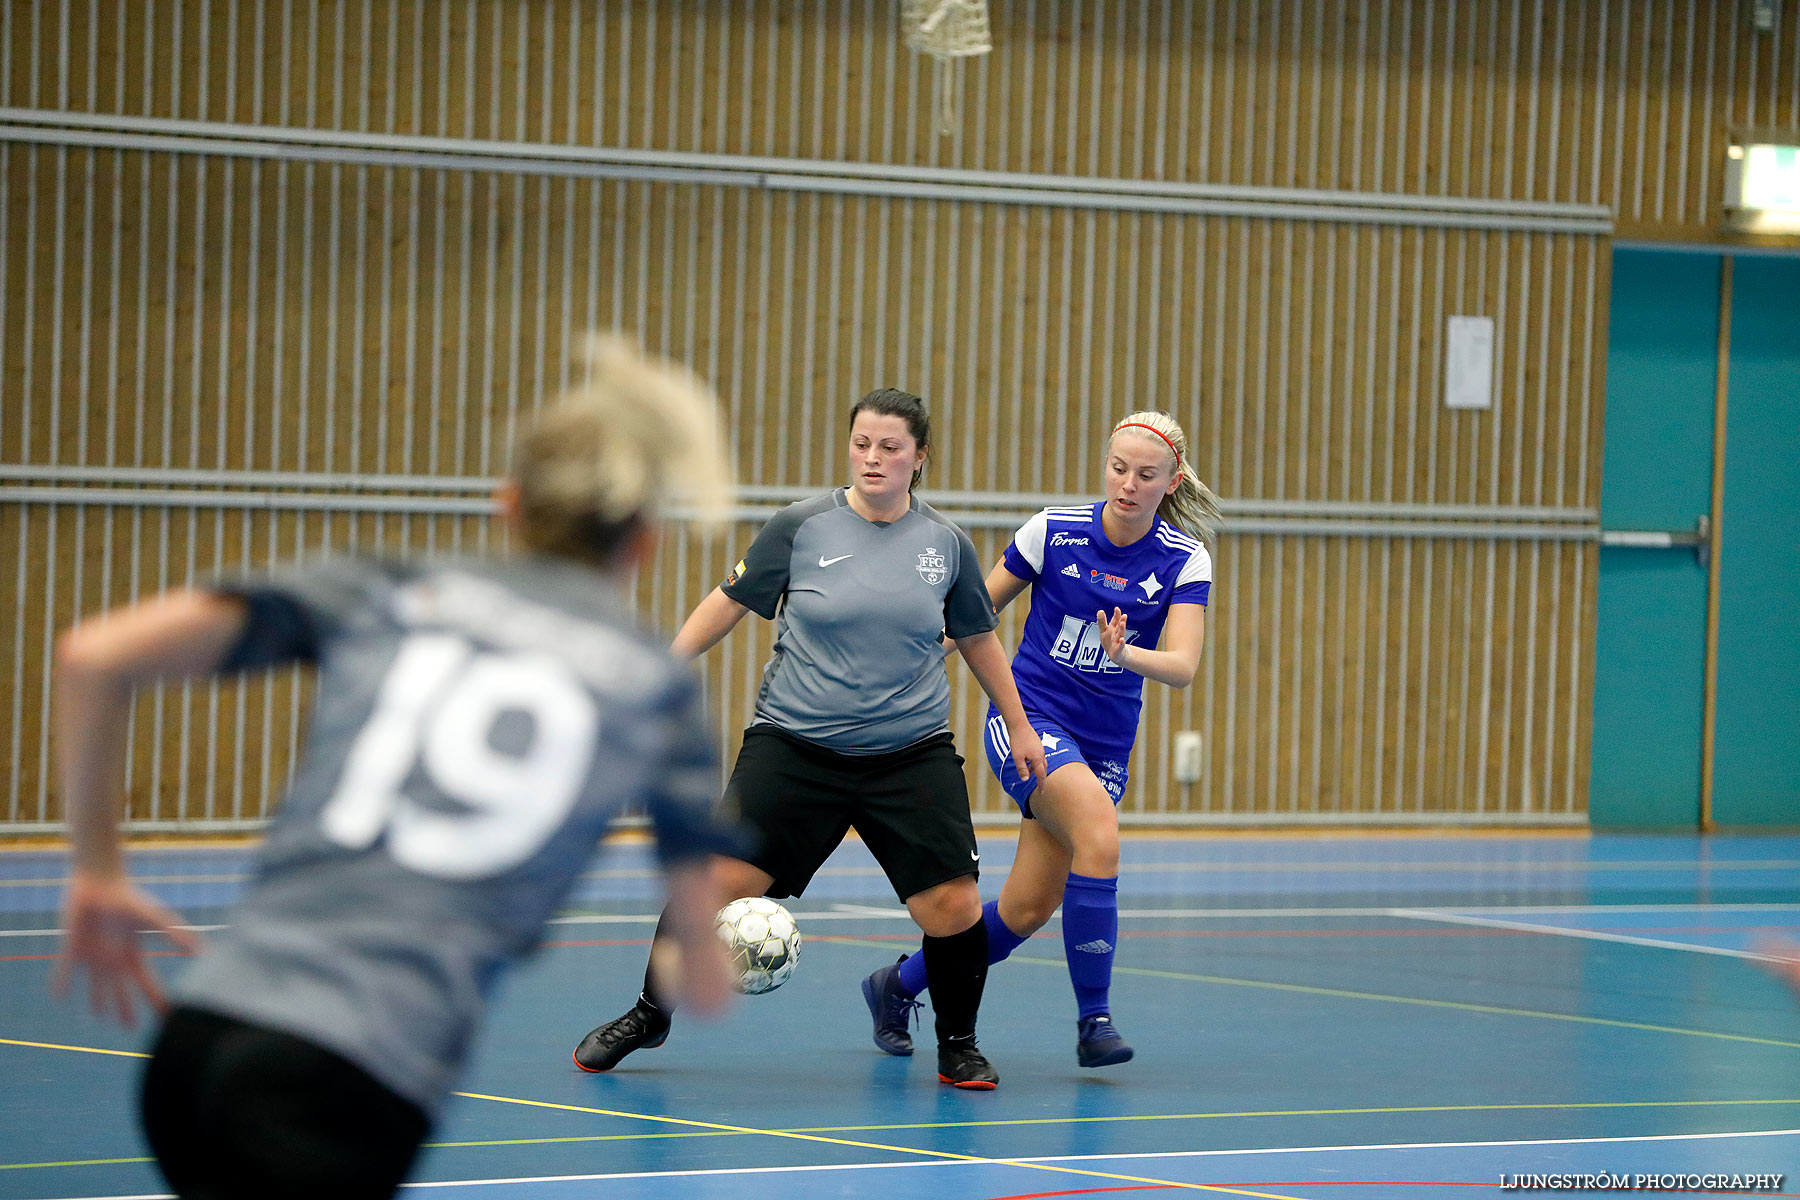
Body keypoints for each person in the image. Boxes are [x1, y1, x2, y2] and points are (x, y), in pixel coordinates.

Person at [51, 335, 740, 1200]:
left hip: (198, 1037)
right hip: (351, 1079)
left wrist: (97, 871)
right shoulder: (652, 689)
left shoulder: (385, 590)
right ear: (644, 541)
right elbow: (703, 984)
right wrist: (732, 950)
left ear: (509, 503)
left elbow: (91, 656)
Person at [571, 387, 1047, 1090]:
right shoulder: (801, 526)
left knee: (952, 904)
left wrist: (1019, 722)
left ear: (920, 458)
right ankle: (650, 1013)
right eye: (862, 443)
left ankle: (958, 1042)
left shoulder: (944, 545)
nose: (873, 457)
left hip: (909, 752)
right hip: (795, 746)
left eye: (890, 446)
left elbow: (977, 637)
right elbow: (728, 603)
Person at [861, 410, 1218, 1069]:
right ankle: (1095, 1022)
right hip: (1029, 721)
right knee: (1100, 836)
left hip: (1104, 745)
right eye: (1118, 468)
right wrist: (898, 672)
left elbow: (1185, 666)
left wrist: (1127, 654)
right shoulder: (1053, 533)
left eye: (1145, 475)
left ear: (1171, 482)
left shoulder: (1182, 559)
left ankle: (896, 984)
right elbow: (971, 616)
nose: (1128, 484)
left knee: (1026, 907)